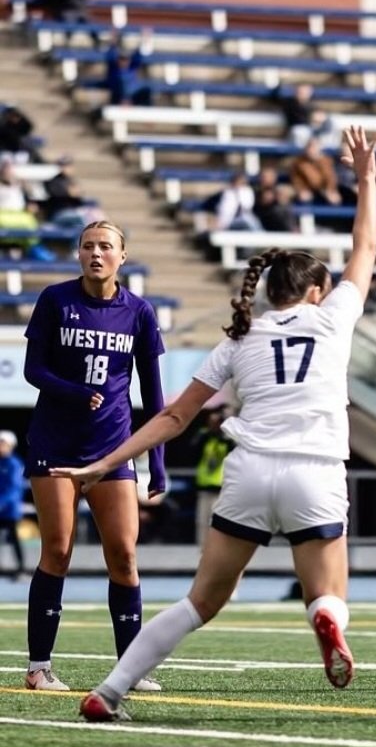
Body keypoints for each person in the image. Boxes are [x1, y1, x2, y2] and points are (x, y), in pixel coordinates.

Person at [54, 125, 376, 723]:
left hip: (250, 471)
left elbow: (174, 416)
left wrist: (104, 464)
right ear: (314, 290)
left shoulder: (238, 339)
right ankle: (325, 618)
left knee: (201, 600)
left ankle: (110, 691)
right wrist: (365, 177)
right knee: (328, 593)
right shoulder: (332, 320)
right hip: (316, 471)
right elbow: (366, 247)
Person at [22, 220, 167, 692]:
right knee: (58, 551)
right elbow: (33, 369)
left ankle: (130, 669)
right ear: (78, 254)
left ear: (123, 256)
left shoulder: (140, 313)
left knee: (124, 556)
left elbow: (154, 395)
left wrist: (157, 462)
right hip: (55, 447)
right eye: (87, 246)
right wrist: (73, 391)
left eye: (106, 246)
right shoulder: (55, 300)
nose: (96, 253)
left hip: (112, 451)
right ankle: (39, 667)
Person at [192, 409, 232, 546]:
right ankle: (202, 548)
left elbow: (232, 448)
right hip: (204, 485)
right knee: (202, 521)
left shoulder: (227, 439)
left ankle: (217, 548)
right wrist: (208, 432)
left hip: (221, 487)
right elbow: (193, 448)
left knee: (217, 522)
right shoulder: (205, 437)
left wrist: (223, 433)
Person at [0, 430, 26, 580]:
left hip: (10, 510)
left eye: (3, 443)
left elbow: (14, 488)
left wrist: (2, 503)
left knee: (14, 538)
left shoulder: (14, 463)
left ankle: (21, 569)